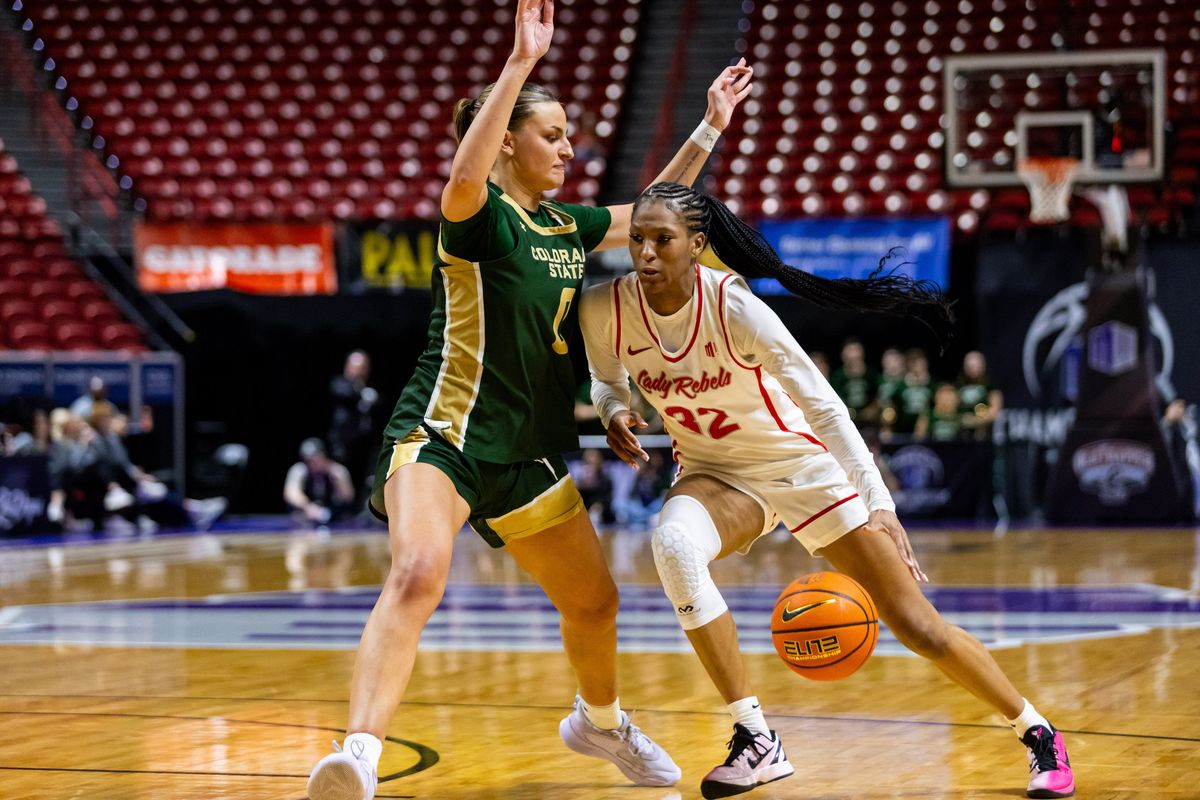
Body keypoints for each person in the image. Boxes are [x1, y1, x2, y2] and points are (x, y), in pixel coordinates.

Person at [305, 3, 755, 798]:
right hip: (443, 435)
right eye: (553, 135)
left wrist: (709, 127)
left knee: (595, 602)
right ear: (509, 137)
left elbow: (648, 213)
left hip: (530, 451)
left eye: (572, 136)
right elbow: (464, 176)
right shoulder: (479, 220)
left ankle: (602, 725)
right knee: (416, 572)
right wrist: (517, 66)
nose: (569, 148)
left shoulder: (562, 224)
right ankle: (359, 759)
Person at [579, 182, 1074, 800]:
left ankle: (1037, 732)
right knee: (674, 545)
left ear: (697, 245)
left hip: (800, 468)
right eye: (636, 239)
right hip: (714, 471)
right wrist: (614, 409)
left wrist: (880, 504)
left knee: (917, 626)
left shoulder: (736, 307)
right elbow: (606, 380)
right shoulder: (603, 307)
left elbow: (826, 408)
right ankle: (755, 736)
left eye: (662, 239)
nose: (645, 253)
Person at [327, 350, 380, 502]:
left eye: (363, 367)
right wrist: (361, 393)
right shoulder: (340, 384)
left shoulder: (369, 388)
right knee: (342, 477)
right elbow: (345, 394)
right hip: (343, 444)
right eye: (356, 366)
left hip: (364, 444)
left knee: (365, 478)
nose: (359, 371)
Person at [284, 438, 356, 527]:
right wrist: (308, 507)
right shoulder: (299, 470)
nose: (311, 463)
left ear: (323, 455)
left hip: (335, 520)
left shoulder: (337, 471)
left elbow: (348, 497)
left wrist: (338, 481)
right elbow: (291, 494)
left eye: (315, 458)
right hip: (305, 520)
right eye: (308, 460)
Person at [829, 338, 878, 428]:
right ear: (843, 355)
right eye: (851, 350)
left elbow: (878, 395)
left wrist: (872, 409)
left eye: (856, 350)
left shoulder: (871, 374)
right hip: (845, 420)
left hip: (869, 421)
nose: (854, 355)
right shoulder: (838, 377)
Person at [957, 350, 1003, 440]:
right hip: (961, 436)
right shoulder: (960, 387)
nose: (972, 369)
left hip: (983, 436)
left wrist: (974, 421)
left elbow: (995, 411)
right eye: (969, 366)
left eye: (975, 365)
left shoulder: (990, 387)